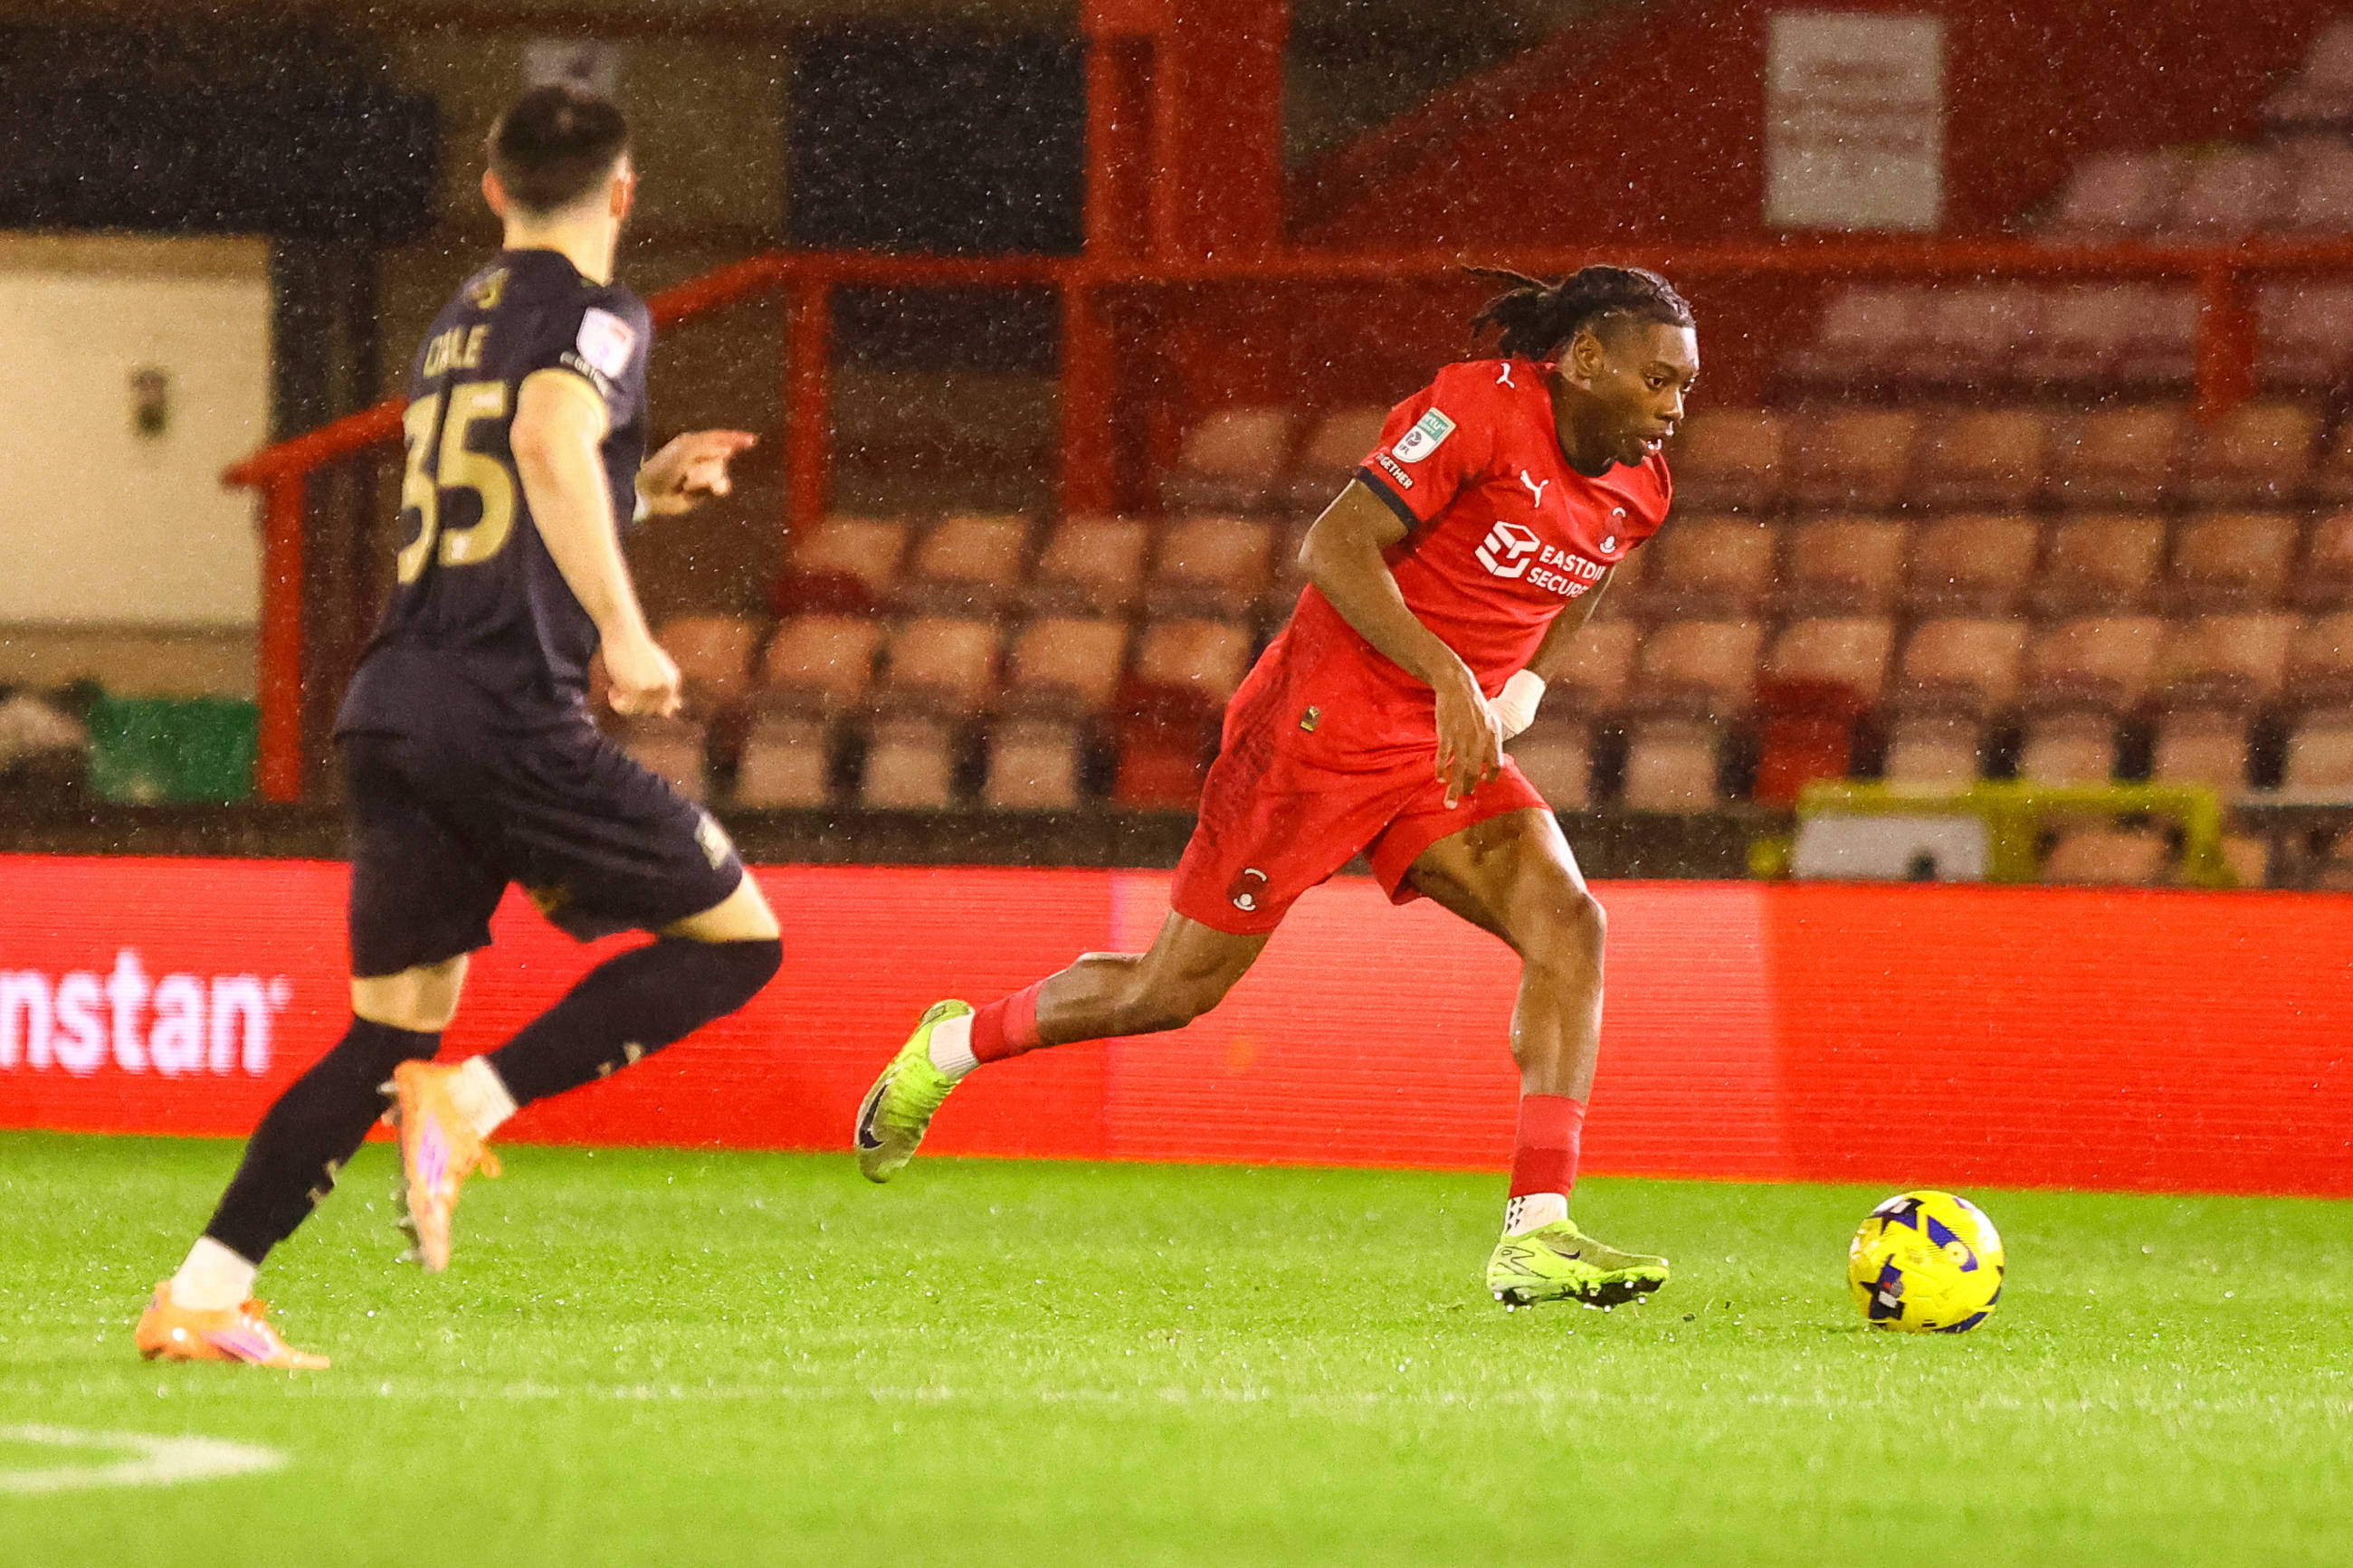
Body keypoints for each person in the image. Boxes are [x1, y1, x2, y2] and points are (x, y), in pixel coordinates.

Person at [855, 265, 1698, 1309]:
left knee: (1570, 926)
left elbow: (1589, 574)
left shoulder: (1639, 488)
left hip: (1439, 754)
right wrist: (1447, 674)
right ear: (1582, 361)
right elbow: (1331, 544)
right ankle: (951, 1043)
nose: (1671, 407)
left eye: (1683, 388)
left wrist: (1521, 683)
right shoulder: (1476, 406)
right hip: (1315, 733)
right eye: (1657, 381)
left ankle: (1536, 1228)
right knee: (1168, 992)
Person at [135, 85, 780, 1369]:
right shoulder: (599, 314)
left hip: (396, 703)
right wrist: (628, 630)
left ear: (492, 192)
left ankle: (203, 1294)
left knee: (387, 1029)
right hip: (502, 709)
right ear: (625, 193)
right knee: (738, 942)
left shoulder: (458, 319)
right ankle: (472, 1101)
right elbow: (545, 441)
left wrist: (637, 491)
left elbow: (520, 479)